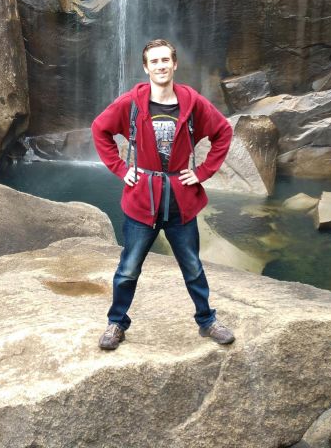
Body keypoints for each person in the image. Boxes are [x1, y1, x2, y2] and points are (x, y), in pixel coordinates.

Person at [91, 38, 235, 349]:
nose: (160, 66)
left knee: (192, 266)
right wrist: (119, 167)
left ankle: (207, 321)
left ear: (174, 64)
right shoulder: (131, 102)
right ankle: (116, 323)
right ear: (146, 68)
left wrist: (201, 172)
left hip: (180, 199)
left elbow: (223, 131)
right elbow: (100, 129)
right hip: (142, 199)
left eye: (165, 60)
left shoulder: (192, 102)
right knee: (128, 268)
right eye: (154, 61)